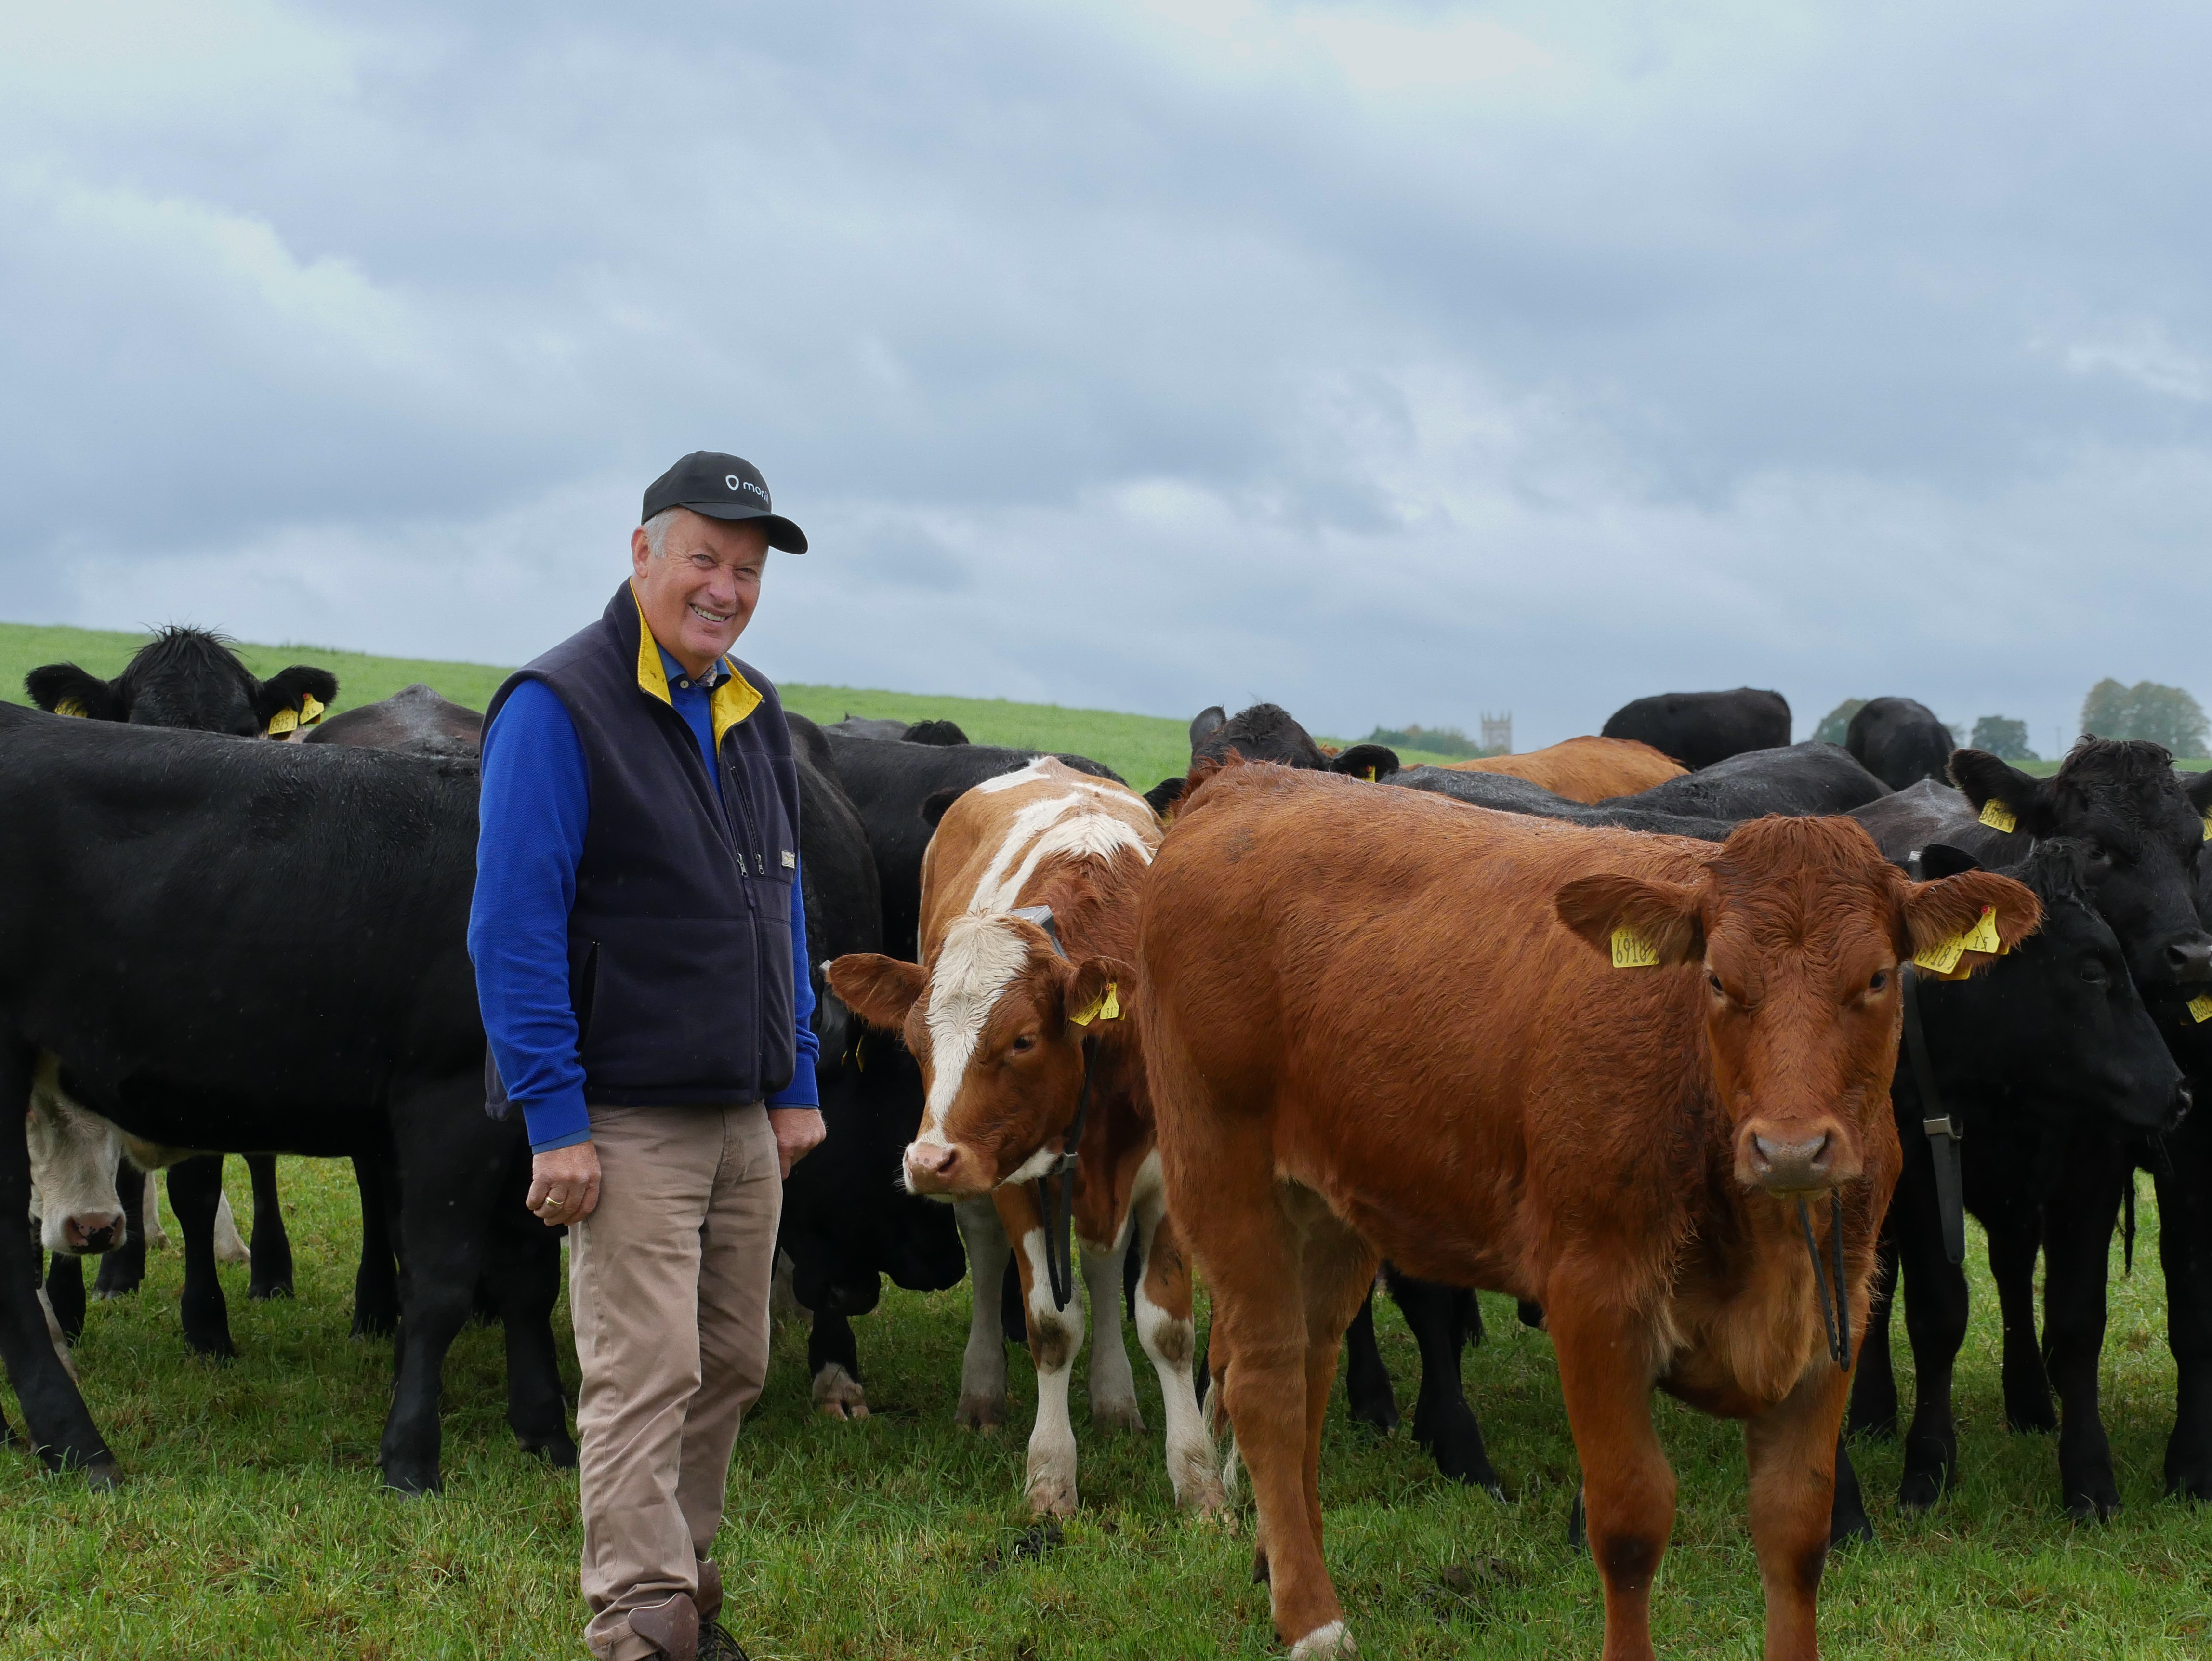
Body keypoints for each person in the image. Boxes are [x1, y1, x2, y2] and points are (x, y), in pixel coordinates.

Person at [469, 452, 828, 1661]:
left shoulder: (753, 707)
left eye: (745, 570)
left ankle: (679, 1580)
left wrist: (796, 1078)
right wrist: (554, 1116)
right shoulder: (557, 705)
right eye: (703, 560)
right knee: (644, 1367)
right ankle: (637, 1622)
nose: (724, 589)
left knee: (731, 1357)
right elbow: (511, 924)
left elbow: (778, 907)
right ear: (641, 554)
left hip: (738, 1105)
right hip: (622, 1110)